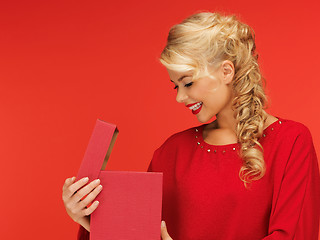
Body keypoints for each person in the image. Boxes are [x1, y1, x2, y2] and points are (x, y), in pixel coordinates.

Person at [62, 12, 320, 240]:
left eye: (187, 83)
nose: (180, 97)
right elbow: (139, 233)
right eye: (175, 85)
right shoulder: (171, 153)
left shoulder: (291, 141)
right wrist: (88, 220)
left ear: (226, 71)